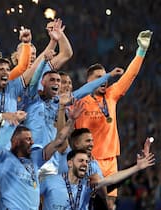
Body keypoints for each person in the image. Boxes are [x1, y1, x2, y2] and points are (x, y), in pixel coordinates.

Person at [74, 30, 152, 209]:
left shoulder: (111, 95)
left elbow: (129, 76)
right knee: (86, 203)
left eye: (105, 77)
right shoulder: (78, 101)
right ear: (88, 81)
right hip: (88, 160)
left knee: (109, 205)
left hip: (110, 161)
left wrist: (141, 51)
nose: (103, 81)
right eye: (97, 78)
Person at [0, 101, 83, 210]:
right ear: (16, 141)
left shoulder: (34, 159)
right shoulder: (4, 157)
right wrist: (0, 118)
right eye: (28, 139)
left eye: (31, 139)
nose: (32, 142)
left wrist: (71, 120)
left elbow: (58, 140)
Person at [40, 149, 155, 210]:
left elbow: (112, 179)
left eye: (86, 161)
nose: (85, 164)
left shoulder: (87, 185)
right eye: (81, 161)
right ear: (70, 163)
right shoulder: (50, 181)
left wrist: (137, 167)